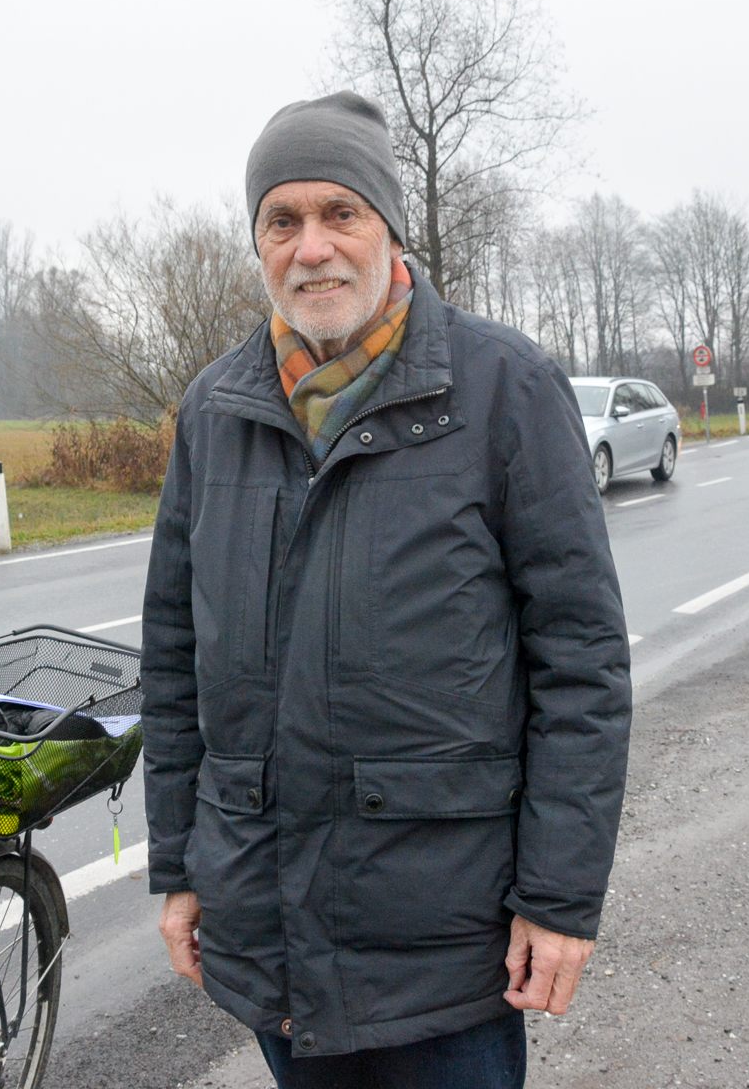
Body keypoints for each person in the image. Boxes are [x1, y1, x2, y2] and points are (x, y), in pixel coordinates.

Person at [140, 90, 631, 1087]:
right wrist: (180, 869)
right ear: (258, 242)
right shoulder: (214, 410)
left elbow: (578, 661)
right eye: (282, 220)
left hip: (444, 939)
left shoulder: (502, 389)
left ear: (387, 227)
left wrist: (559, 898)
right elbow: (174, 659)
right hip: (270, 922)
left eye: (339, 212)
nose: (310, 247)